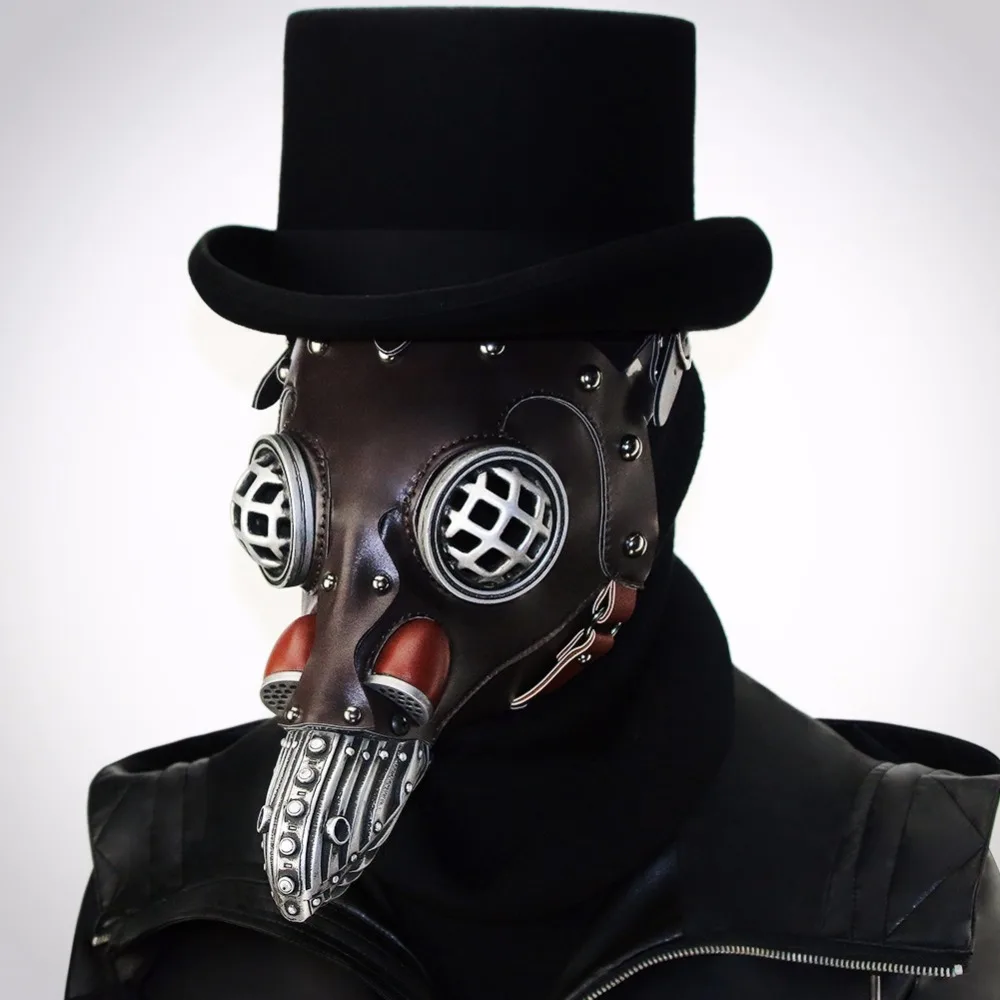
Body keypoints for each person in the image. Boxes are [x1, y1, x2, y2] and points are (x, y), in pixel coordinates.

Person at [64, 8, 1000, 999]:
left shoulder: (890, 896)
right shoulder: (165, 887)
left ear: (647, 442)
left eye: (476, 514)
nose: (355, 617)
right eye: (313, 504)